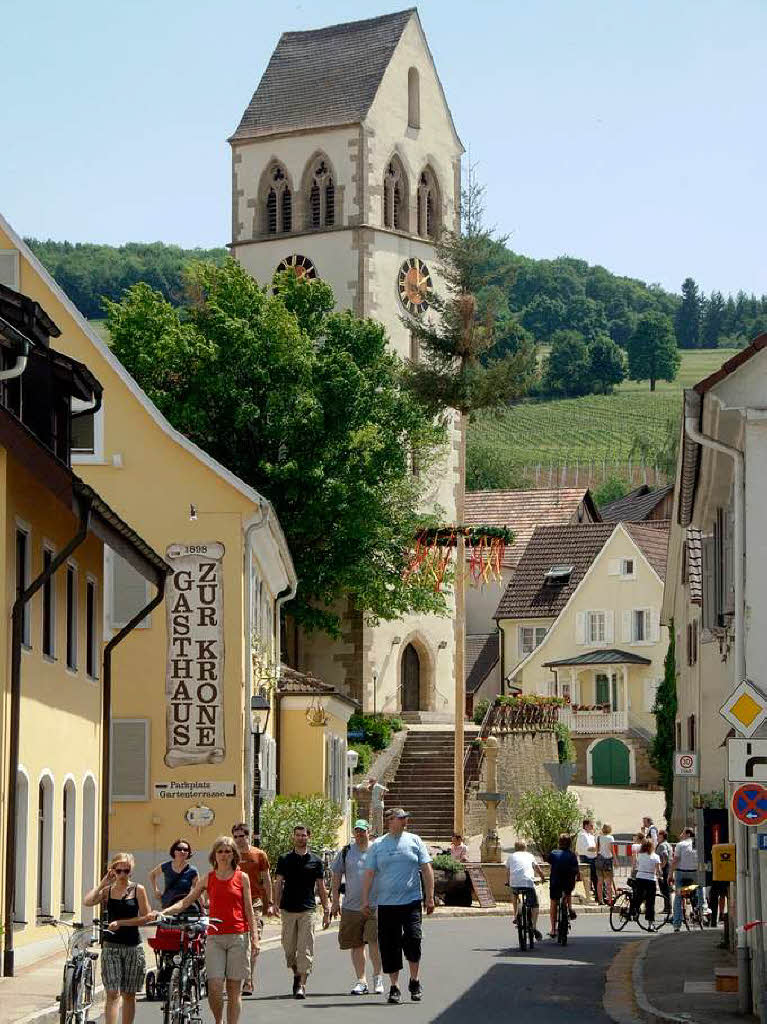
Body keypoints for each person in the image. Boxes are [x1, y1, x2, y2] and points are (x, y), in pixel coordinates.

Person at [162, 836, 258, 1024]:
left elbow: (248, 909)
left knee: (233, 988)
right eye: (220, 851)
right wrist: (164, 912)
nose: (223, 855)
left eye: (227, 851)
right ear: (214, 855)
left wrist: (254, 938)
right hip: (214, 936)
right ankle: (218, 1020)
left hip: (238, 935)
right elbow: (186, 901)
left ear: (233, 855)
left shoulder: (242, 877)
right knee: (214, 986)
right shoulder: (208, 878)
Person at [361, 807, 434, 1005]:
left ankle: (414, 980)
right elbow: (369, 873)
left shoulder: (415, 840)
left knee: (413, 938)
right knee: (389, 945)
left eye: (405, 818)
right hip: (386, 904)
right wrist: (365, 900)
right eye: (400, 818)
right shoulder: (378, 845)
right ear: (389, 821)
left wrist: (430, 897)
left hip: (411, 901)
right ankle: (394, 986)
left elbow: (426, 869)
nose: (404, 821)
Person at [84, 853, 153, 1024]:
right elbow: (87, 901)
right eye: (118, 870)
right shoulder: (107, 891)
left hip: (132, 947)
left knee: (128, 994)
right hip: (111, 947)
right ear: (112, 870)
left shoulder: (138, 889)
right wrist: (102, 883)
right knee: (112, 992)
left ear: (131, 871)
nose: (122, 874)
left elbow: (147, 917)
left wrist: (121, 923)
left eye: (126, 870)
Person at [274, 824, 331, 999]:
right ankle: (297, 975)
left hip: (308, 909)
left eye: (304, 835)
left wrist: (327, 909)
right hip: (288, 909)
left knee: (305, 948)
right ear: (293, 837)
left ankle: (302, 985)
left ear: (309, 837)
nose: (301, 838)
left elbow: (321, 886)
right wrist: (275, 903)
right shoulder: (284, 859)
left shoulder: (316, 861)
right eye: (298, 835)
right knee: (289, 950)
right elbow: (278, 883)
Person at [331, 819, 384, 995]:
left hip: (375, 905)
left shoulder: (377, 850)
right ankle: (361, 981)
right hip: (351, 906)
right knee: (356, 945)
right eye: (357, 831)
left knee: (374, 943)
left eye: (363, 831)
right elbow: (337, 875)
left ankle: (378, 978)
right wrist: (335, 901)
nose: (360, 834)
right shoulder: (346, 851)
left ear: (369, 831)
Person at [231, 823, 273, 996]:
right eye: (236, 836)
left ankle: (248, 980)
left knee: (254, 940)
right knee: (237, 943)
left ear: (248, 836)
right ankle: (236, 978)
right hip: (234, 903)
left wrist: (269, 903)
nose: (239, 839)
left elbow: (267, 879)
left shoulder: (258, 855)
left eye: (242, 836)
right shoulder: (229, 855)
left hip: (254, 902)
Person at [506, 840, 545, 941]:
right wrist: (542, 876)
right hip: (528, 883)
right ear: (525, 848)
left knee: (514, 893)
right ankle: (534, 927)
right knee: (535, 904)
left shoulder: (511, 856)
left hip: (515, 883)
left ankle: (515, 916)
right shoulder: (530, 856)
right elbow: (537, 868)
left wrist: (509, 882)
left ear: (515, 848)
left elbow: (508, 871)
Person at [148, 838, 199, 909]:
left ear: (188, 853)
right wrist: (156, 890)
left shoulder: (192, 870)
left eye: (185, 850)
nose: (182, 851)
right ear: (174, 851)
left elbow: (198, 890)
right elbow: (152, 875)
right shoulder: (166, 866)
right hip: (168, 905)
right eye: (179, 849)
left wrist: (203, 908)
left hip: (184, 907)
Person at [546, 834, 580, 938]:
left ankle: (552, 929)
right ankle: (569, 908)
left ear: (559, 843)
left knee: (553, 902)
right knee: (568, 892)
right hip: (568, 882)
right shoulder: (572, 855)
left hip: (556, 882)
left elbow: (549, 862)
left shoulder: (553, 853)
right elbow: (576, 870)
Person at [672, 827, 702, 932]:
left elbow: (675, 860)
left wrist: (670, 874)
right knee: (698, 889)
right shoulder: (698, 844)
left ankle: (676, 924)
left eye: (683, 833)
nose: (681, 835)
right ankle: (699, 912)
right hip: (694, 873)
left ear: (688, 834)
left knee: (678, 896)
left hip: (681, 873)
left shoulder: (680, 845)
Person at [632, 838, 662, 931]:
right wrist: (660, 875)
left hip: (640, 877)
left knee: (638, 897)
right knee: (650, 903)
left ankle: (634, 911)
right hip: (650, 879)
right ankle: (650, 924)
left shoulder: (640, 855)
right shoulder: (655, 857)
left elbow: (637, 865)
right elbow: (659, 871)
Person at [575, 819, 598, 900]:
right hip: (586, 858)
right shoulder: (582, 835)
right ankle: (588, 896)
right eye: (591, 825)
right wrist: (598, 848)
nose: (592, 827)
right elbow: (587, 848)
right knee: (588, 878)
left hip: (593, 858)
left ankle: (597, 895)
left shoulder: (591, 836)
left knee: (595, 878)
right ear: (586, 826)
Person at [596, 824, 617, 905]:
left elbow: (597, 849)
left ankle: (600, 900)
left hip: (599, 860)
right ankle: (609, 900)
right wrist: (615, 860)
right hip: (608, 861)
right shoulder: (610, 837)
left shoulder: (599, 837)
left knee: (600, 882)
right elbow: (612, 850)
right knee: (609, 882)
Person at [656, 829, 672, 913]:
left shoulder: (662, 845)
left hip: (664, 869)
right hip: (668, 868)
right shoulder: (668, 844)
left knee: (664, 889)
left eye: (659, 836)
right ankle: (668, 907)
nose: (657, 837)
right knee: (667, 889)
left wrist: (661, 866)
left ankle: (667, 908)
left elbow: (665, 855)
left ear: (662, 836)